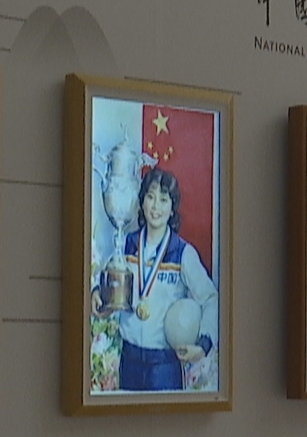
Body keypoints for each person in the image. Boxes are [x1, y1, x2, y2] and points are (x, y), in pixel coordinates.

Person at [91, 167, 218, 391]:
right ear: (142, 202)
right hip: (129, 360)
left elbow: (210, 298)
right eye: (150, 197)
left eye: (163, 200)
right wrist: (96, 293)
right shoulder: (126, 245)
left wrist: (203, 344)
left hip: (165, 365)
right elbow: (105, 283)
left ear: (172, 208)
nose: (156, 206)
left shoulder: (182, 253)